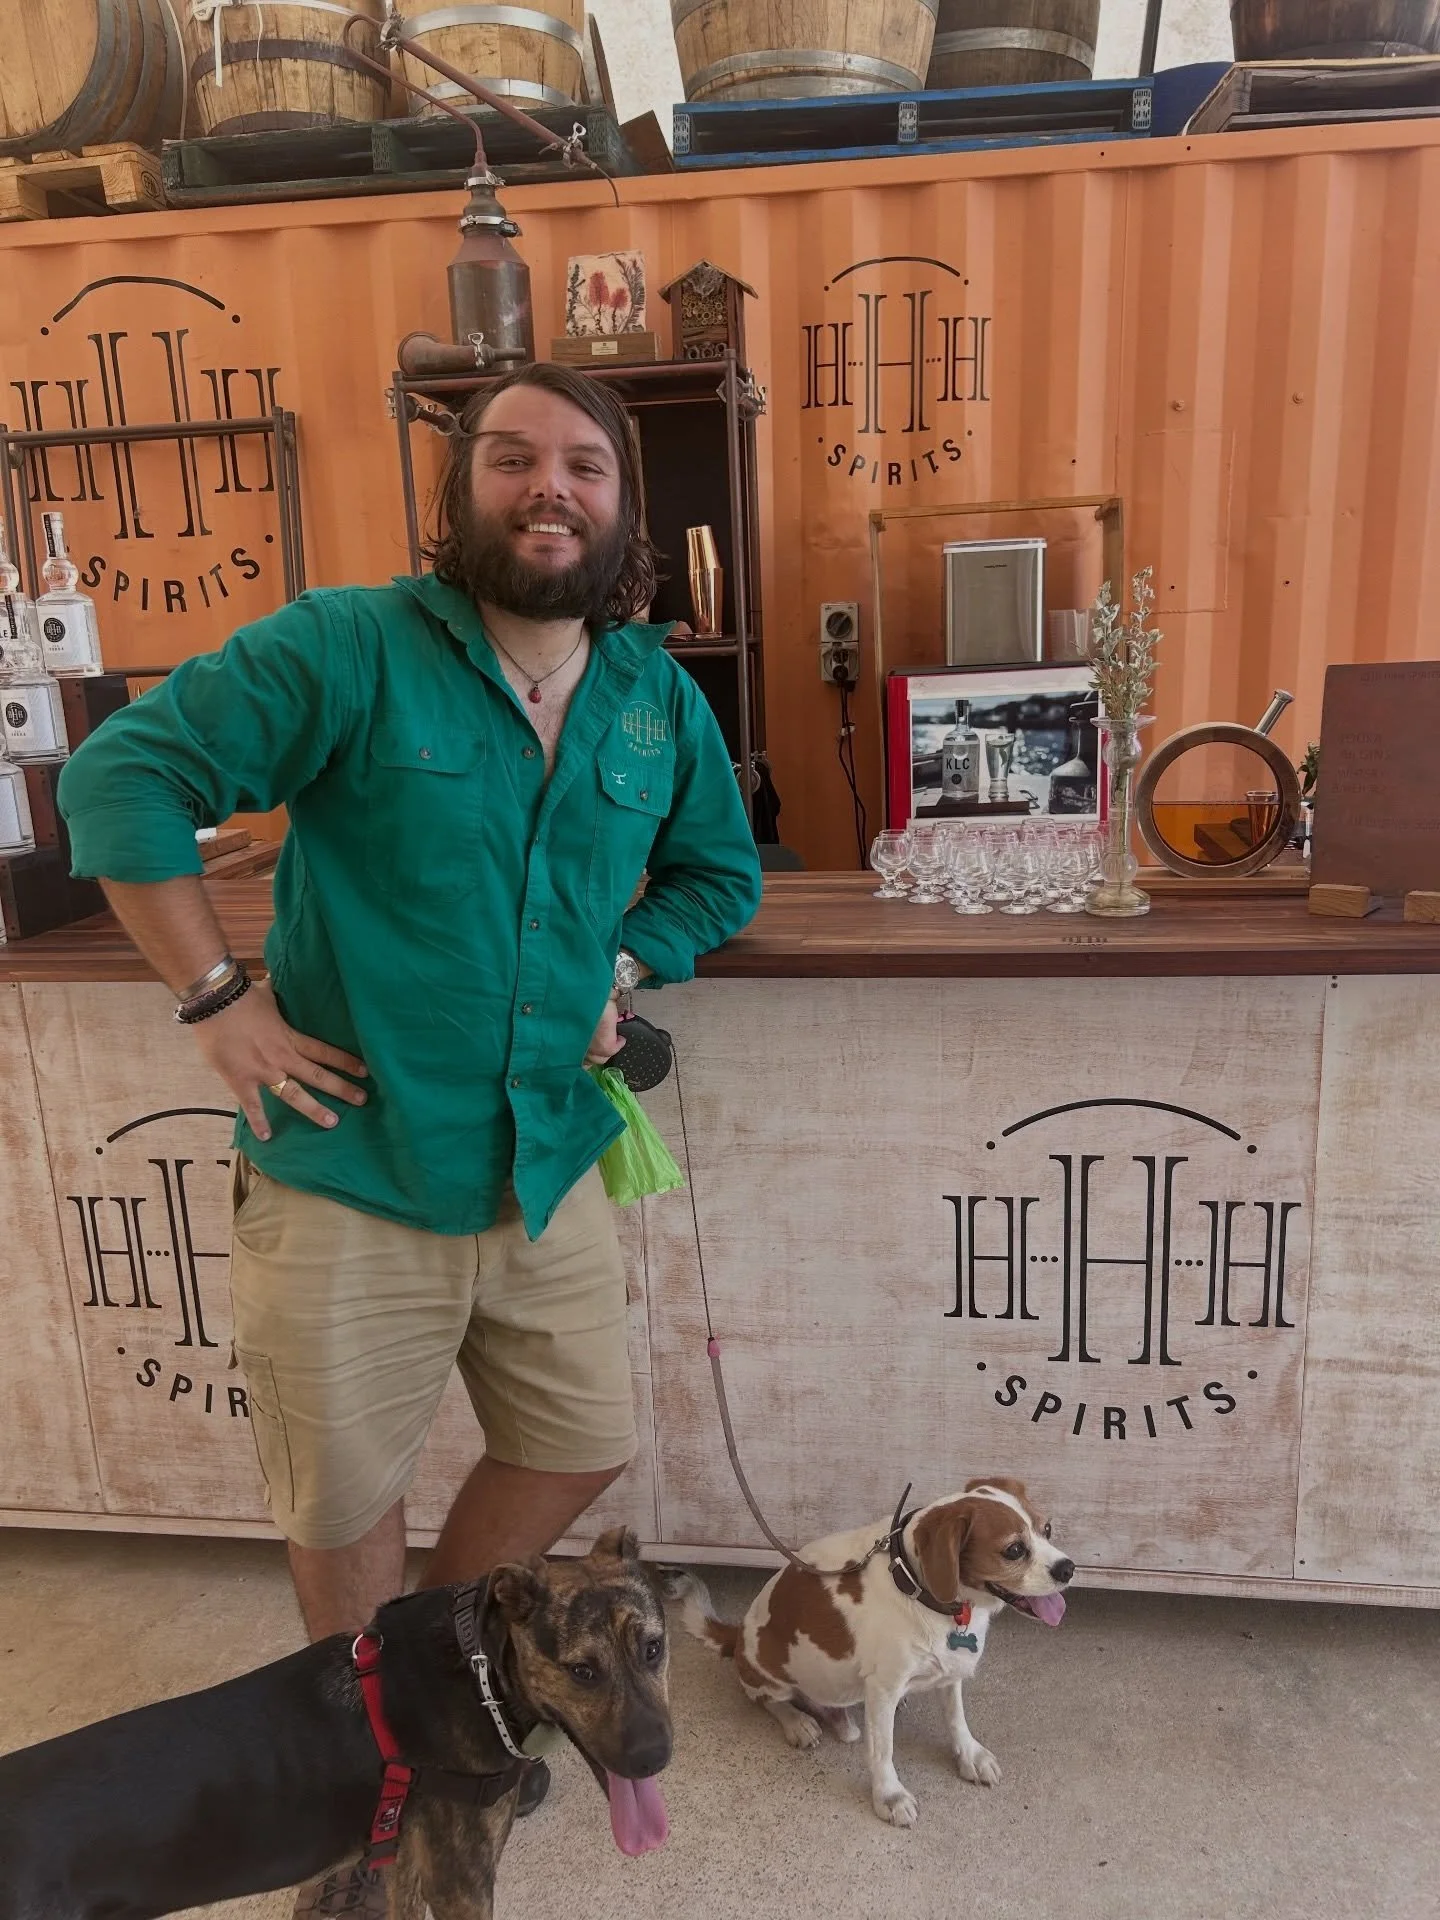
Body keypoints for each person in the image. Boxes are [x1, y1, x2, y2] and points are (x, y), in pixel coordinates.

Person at [58, 361, 762, 1914]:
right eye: (510, 459)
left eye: (583, 464)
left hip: (546, 1157)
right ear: (461, 494)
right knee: (346, 1510)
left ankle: (438, 1682)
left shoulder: (652, 695)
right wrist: (215, 998)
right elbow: (123, 775)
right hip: (351, 1168)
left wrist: (624, 962)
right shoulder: (348, 647)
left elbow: (721, 874)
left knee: (583, 1433)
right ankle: (365, 1793)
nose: (548, 489)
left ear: (625, 502)